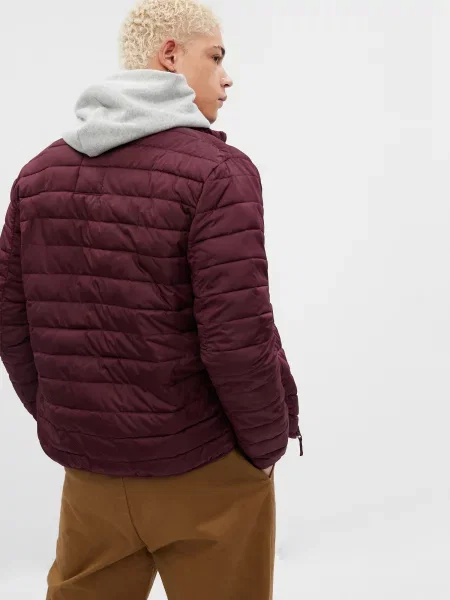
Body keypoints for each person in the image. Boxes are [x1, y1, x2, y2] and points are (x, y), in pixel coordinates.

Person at [0, 0, 303, 598]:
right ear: (170, 55)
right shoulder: (219, 173)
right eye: (214, 57)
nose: (226, 78)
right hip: (204, 467)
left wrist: (73, 423)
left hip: (91, 475)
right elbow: (237, 339)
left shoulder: (37, 175)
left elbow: (12, 323)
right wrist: (267, 445)